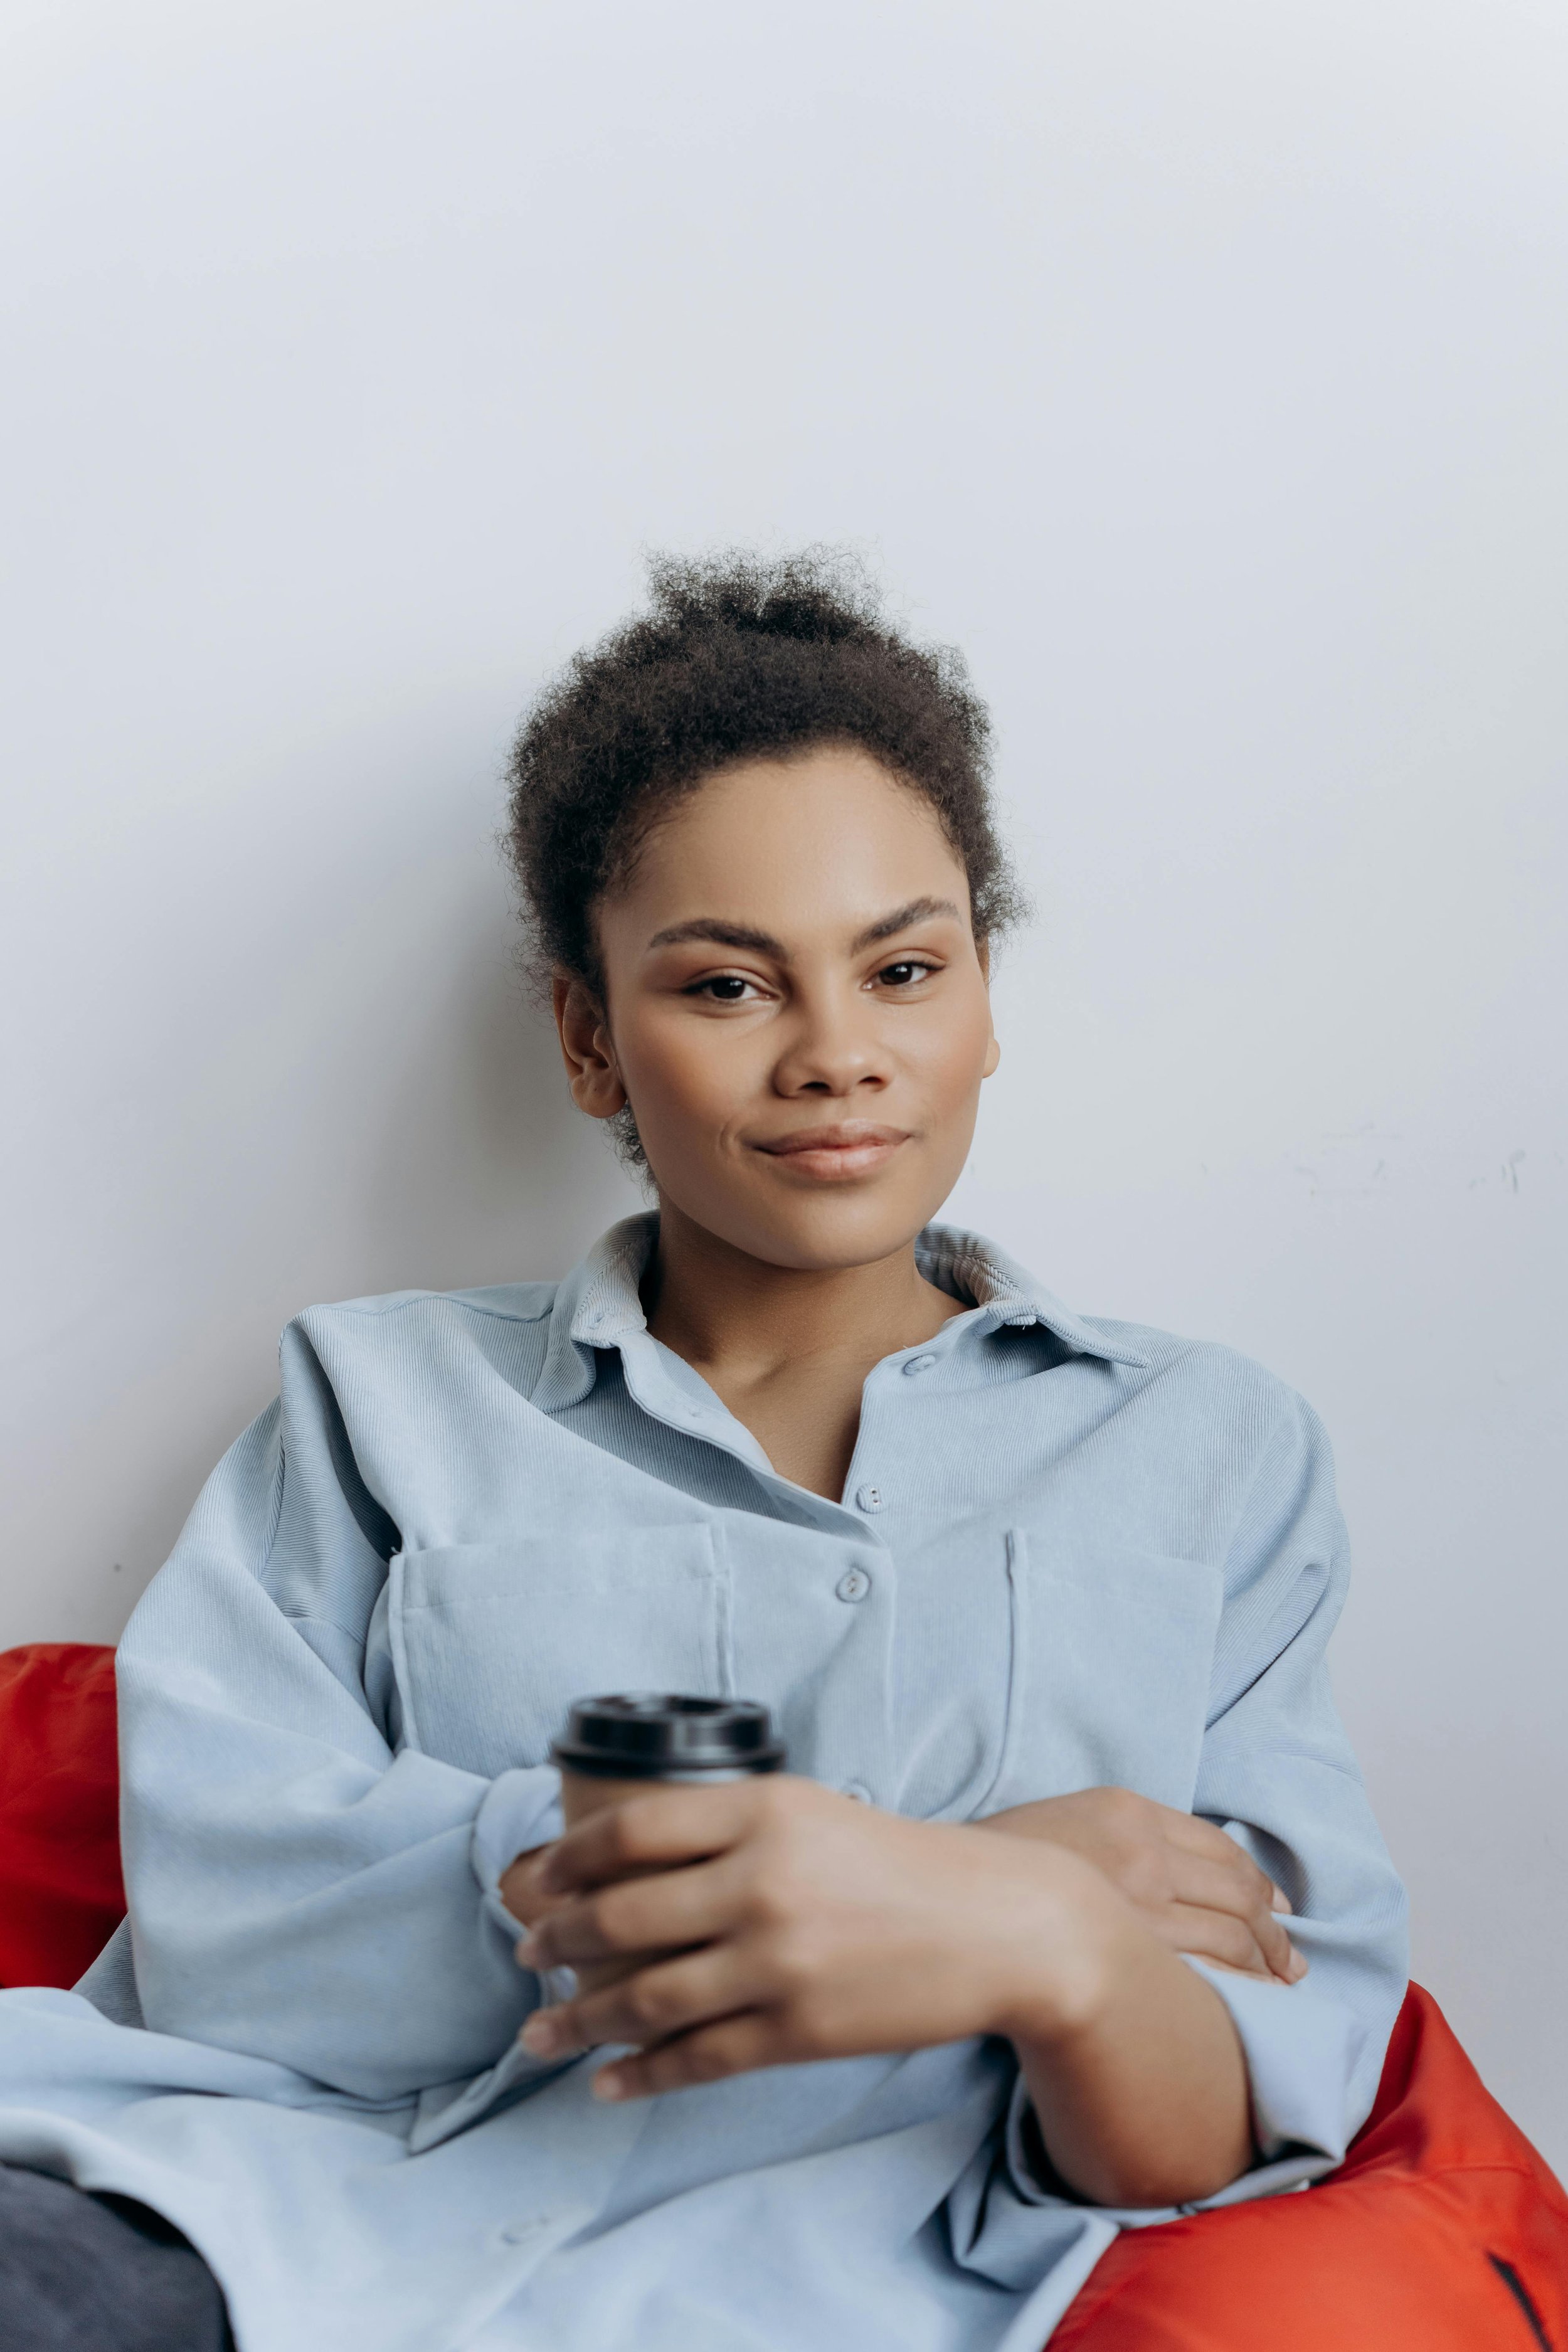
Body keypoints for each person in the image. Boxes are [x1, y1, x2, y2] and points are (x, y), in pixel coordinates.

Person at [0, 553, 1407, 2352]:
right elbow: (233, 1929)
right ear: (590, 1041)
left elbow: (1234, 2097)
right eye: (731, 986)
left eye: (904, 968)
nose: (836, 1055)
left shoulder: (1210, 1450)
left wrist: (1041, 1935)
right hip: (238, 2213)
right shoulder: (372, 1401)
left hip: (813, 2292)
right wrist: (946, 1867)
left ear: (986, 1001)